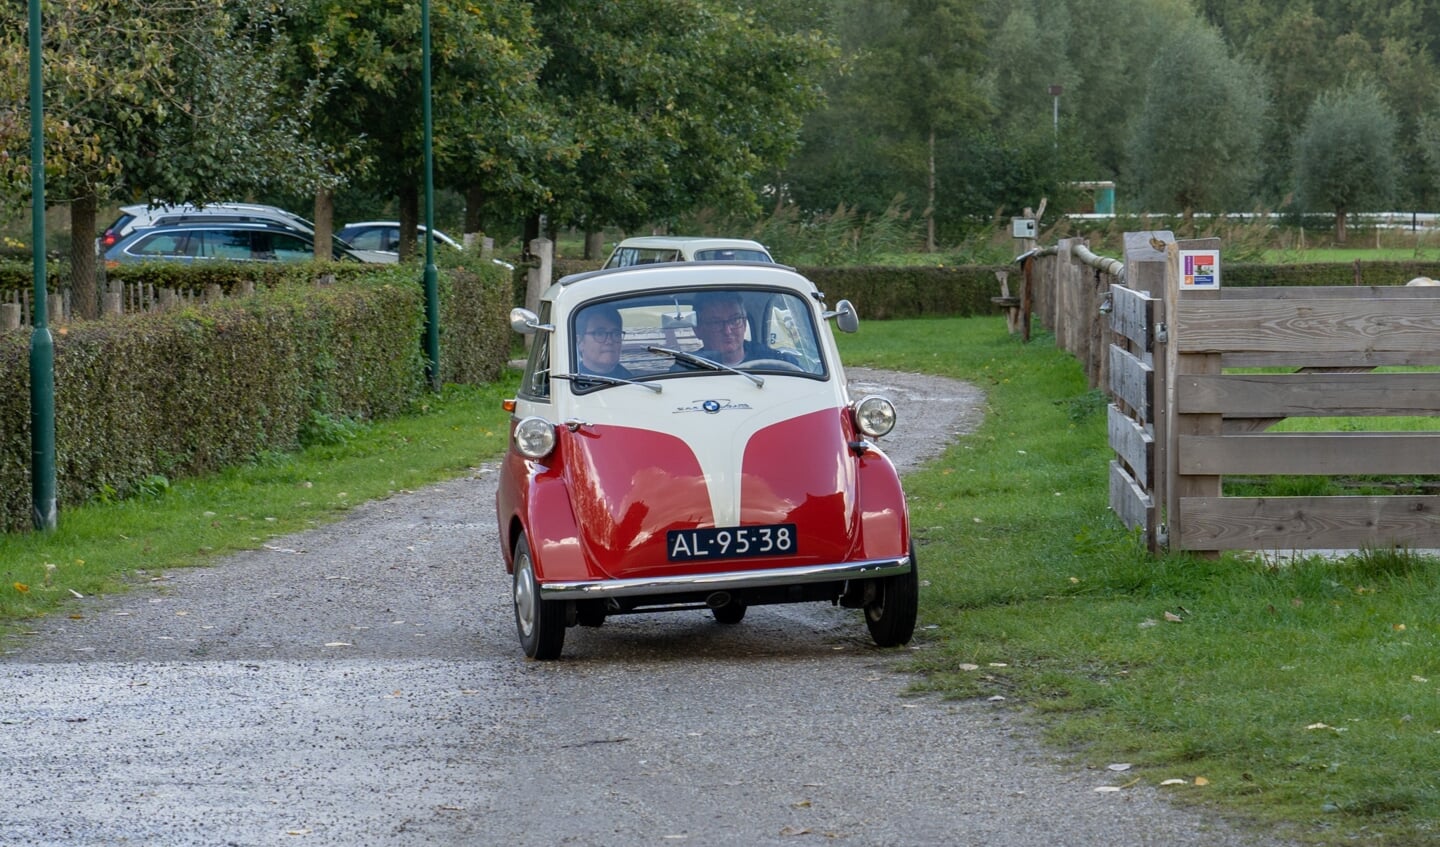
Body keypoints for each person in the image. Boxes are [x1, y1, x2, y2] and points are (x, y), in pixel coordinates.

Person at [690, 292, 752, 366]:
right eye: (716, 323)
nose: (727, 331)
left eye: (735, 320)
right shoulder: (686, 366)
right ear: (698, 330)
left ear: (744, 324)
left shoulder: (766, 359)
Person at [575, 305, 634, 379]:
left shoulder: (631, 381)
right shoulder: (572, 382)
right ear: (580, 342)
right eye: (600, 334)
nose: (609, 341)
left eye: (616, 334)